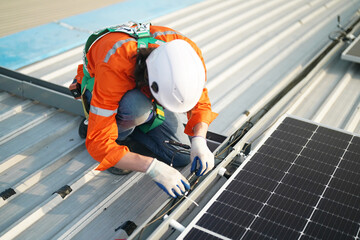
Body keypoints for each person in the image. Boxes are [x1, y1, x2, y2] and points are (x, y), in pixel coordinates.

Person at [70, 22, 218, 198]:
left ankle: (135, 127)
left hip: (143, 92)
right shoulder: (115, 64)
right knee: (136, 107)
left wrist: (199, 140)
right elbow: (98, 143)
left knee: (182, 156)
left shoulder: (187, 55)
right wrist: (152, 167)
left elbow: (200, 103)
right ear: (149, 82)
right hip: (105, 85)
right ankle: (111, 133)